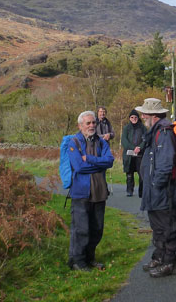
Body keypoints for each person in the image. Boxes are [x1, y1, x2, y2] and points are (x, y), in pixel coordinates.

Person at [138, 98, 176, 278]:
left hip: (164, 191)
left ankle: (170, 262)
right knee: (157, 226)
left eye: (145, 113)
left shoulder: (164, 132)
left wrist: (156, 183)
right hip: (154, 190)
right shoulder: (155, 131)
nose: (142, 116)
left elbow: (165, 163)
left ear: (153, 115)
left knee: (168, 227)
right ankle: (159, 257)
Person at [67, 111, 115, 272]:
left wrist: (91, 159)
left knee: (97, 229)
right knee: (81, 229)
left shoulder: (102, 142)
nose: (92, 126)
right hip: (81, 193)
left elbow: (110, 161)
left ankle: (90, 258)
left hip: (99, 192)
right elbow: (79, 167)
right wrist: (99, 164)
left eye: (93, 122)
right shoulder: (73, 142)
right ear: (80, 125)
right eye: (88, 123)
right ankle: (77, 261)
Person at [121, 109, 145, 197]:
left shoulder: (142, 127)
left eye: (135, 117)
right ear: (129, 118)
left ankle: (141, 192)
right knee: (129, 174)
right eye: (132, 117)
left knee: (141, 173)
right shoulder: (126, 128)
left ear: (138, 118)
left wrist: (140, 147)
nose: (134, 118)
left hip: (140, 154)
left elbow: (145, 139)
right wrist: (133, 148)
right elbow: (124, 141)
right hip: (129, 154)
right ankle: (129, 190)